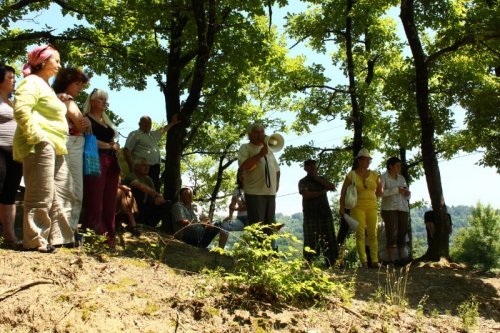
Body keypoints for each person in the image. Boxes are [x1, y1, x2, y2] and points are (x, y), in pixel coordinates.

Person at [13, 44, 71, 253]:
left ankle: (55, 237)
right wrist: (37, 137)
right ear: (44, 62)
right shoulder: (31, 82)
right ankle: (35, 240)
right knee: (40, 193)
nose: (59, 65)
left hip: (55, 146)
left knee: (60, 193)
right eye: (56, 60)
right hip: (40, 144)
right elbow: (21, 110)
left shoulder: (47, 86)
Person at [52, 68, 90, 244]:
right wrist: (85, 121)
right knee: (74, 191)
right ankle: (67, 234)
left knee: (64, 190)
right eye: (77, 83)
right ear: (66, 82)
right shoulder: (66, 99)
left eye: (82, 84)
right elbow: (82, 125)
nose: (80, 87)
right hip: (72, 144)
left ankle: (64, 233)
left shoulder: (55, 97)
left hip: (67, 143)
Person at [82, 88, 120, 248]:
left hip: (111, 162)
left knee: (110, 201)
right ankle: (95, 235)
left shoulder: (107, 120)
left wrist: (115, 146)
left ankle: (109, 237)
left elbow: (112, 140)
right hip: (94, 159)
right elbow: (87, 139)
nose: (104, 102)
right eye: (101, 99)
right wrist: (108, 146)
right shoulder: (85, 118)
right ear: (91, 101)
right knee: (95, 198)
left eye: (106, 99)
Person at [237, 123, 280, 247]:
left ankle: (267, 257)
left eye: (262, 131)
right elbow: (244, 166)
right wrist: (260, 154)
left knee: (269, 227)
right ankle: (257, 257)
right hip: (255, 193)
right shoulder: (245, 148)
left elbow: (277, 169)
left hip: (270, 194)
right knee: (257, 227)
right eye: (256, 132)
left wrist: (276, 185)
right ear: (249, 135)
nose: (260, 134)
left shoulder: (270, 150)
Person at [339, 148, 383, 267]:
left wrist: (373, 197)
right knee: (360, 234)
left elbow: (380, 191)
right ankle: (363, 261)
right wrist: (341, 207)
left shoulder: (374, 174)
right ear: (359, 160)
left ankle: (374, 260)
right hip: (357, 207)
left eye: (369, 160)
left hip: (372, 207)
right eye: (365, 159)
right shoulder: (351, 175)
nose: (367, 162)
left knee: (373, 233)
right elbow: (343, 192)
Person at [123, 114, 180, 191]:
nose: (147, 125)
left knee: (153, 189)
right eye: (145, 123)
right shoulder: (135, 134)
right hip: (141, 168)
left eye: (149, 123)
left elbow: (163, 130)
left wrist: (172, 123)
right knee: (141, 190)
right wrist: (131, 167)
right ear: (139, 124)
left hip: (154, 169)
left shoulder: (152, 135)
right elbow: (127, 150)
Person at [298, 159, 338, 266]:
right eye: (309, 166)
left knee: (329, 240)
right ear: (305, 168)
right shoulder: (303, 181)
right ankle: (308, 264)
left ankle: (332, 264)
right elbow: (306, 195)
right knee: (310, 241)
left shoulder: (322, 179)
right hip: (310, 216)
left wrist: (316, 178)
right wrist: (321, 192)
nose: (312, 168)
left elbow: (332, 187)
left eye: (314, 166)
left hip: (325, 214)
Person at [0, 64, 23, 247]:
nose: (14, 80)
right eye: (10, 77)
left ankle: (10, 237)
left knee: (10, 194)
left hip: (15, 152)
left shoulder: (13, 102)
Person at [122, 158, 170, 230]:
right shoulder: (130, 176)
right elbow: (140, 186)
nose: (147, 167)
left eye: (148, 166)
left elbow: (154, 195)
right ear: (136, 167)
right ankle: (134, 222)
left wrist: (158, 199)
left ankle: (149, 224)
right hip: (132, 207)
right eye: (144, 165)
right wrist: (157, 195)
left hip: (145, 207)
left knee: (167, 204)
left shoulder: (148, 179)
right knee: (139, 191)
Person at [380, 157, 411, 264]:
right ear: (390, 166)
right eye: (397, 165)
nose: (400, 167)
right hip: (389, 208)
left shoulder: (401, 178)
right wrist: (396, 190)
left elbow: (407, 192)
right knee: (392, 233)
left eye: (400, 165)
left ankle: (402, 260)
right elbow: (380, 193)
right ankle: (392, 260)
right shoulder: (383, 177)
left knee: (402, 232)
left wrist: (407, 193)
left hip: (403, 207)